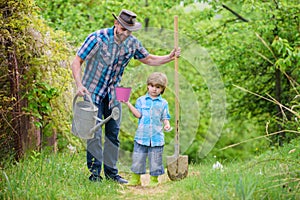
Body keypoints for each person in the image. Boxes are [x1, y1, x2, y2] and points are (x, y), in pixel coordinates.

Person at [71, 9, 180, 184]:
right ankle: (94, 175)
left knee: (113, 134)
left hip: (115, 93)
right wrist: (79, 84)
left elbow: (149, 59)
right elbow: (77, 61)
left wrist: (170, 57)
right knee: (95, 134)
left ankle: (112, 174)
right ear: (116, 24)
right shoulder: (97, 38)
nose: (126, 33)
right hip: (92, 92)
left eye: (129, 30)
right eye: (123, 29)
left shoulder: (132, 43)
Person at [121, 72, 171, 187]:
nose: (154, 89)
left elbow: (165, 117)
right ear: (148, 86)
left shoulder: (163, 103)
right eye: (152, 86)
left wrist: (167, 124)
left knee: (155, 160)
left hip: (157, 137)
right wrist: (128, 103)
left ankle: (154, 180)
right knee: (138, 158)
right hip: (141, 136)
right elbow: (138, 115)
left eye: (158, 87)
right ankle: (135, 179)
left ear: (162, 89)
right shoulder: (141, 100)